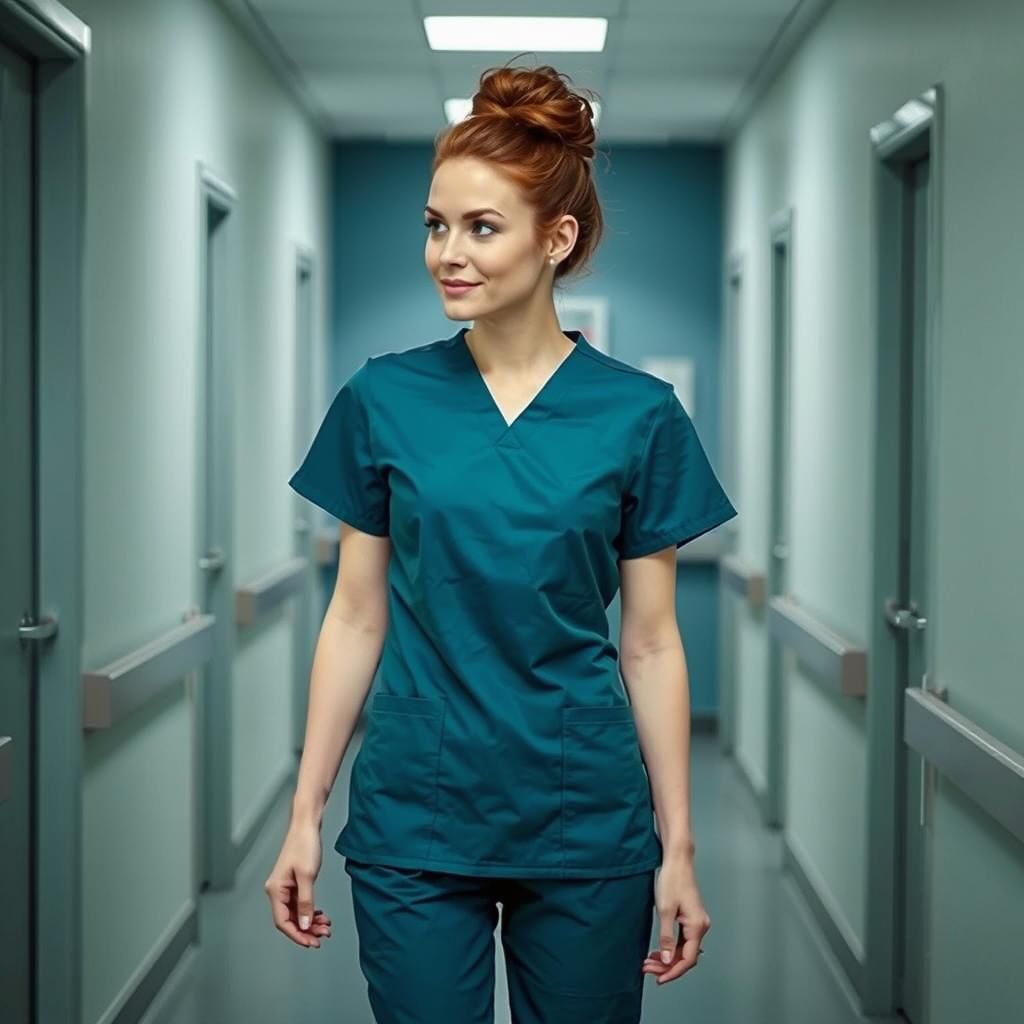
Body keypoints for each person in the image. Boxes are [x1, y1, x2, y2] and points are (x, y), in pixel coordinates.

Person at [264, 58, 737, 1024]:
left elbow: (650, 642)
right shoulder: (382, 398)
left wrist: (678, 847)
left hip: (585, 816)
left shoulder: (639, 416)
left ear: (556, 238)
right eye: (437, 225)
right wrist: (305, 813)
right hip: (414, 813)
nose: (449, 252)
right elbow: (355, 616)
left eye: (482, 227)